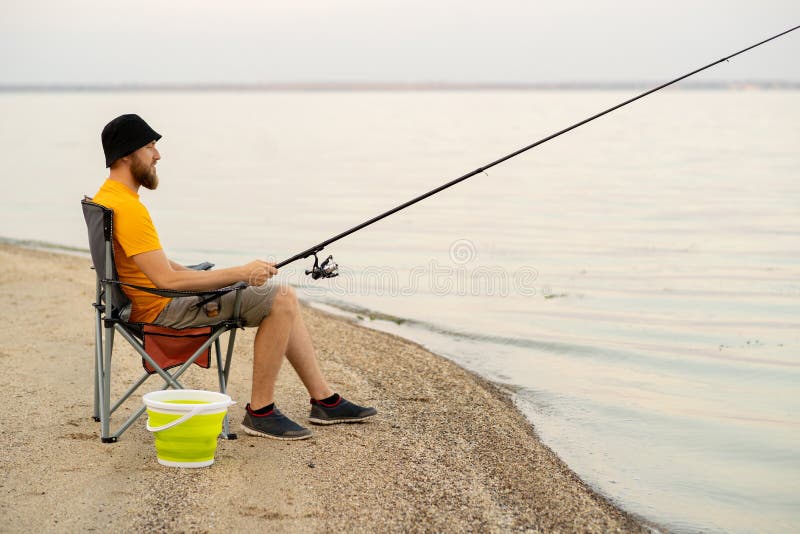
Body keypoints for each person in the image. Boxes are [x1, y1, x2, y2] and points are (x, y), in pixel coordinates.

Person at [93, 113, 376, 440]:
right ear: (127, 154)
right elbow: (167, 283)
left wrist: (228, 279)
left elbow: (157, 266)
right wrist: (240, 272)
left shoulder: (108, 198)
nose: (158, 155)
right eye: (150, 146)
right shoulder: (130, 209)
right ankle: (261, 412)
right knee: (280, 297)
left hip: (136, 302)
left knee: (281, 297)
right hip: (161, 310)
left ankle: (324, 399)